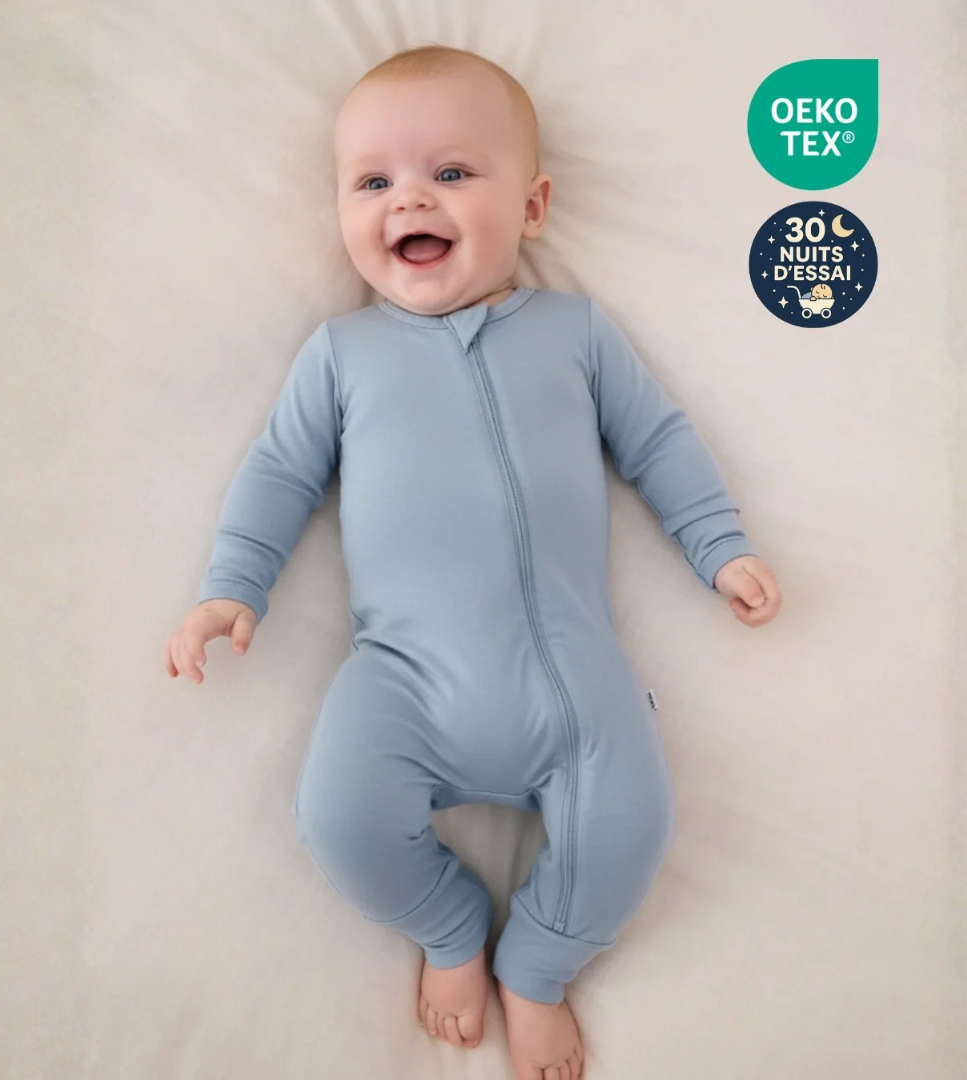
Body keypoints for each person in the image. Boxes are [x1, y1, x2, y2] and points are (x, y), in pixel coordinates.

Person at [164, 44, 782, 1080]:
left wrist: (720, 546)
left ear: (532, 207)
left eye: (451, 172)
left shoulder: (578, 334)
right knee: (338, 817)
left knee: (633, 824)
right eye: (373, 182)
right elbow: (278, 471)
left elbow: (659, 440)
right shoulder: (342, 355)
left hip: (574, 676)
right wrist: (232, 586)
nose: (411, 197)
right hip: (403, 675)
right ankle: (450, 927)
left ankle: (538, 966)